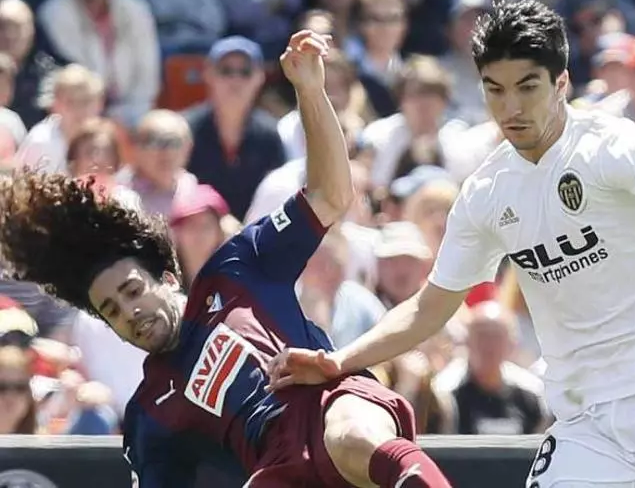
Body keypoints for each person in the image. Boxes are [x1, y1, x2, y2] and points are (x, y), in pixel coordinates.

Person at [266, 0, 635, 488]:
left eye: (527, 86)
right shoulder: (485, 193)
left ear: (561, 83)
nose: (511, 107)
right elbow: (429, 307)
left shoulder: (609, 147)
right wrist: (339, 361)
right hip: (587, 416)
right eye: (495, 89)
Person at [0, 30, 450, 488]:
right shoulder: (148, 414)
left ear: (168, 277)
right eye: (112, 311)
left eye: (133, 291)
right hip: (278, 467)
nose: (129, 312)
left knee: (350, 437)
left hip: (330, 399)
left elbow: (331, 195)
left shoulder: (236, 267)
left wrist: (310, 90)